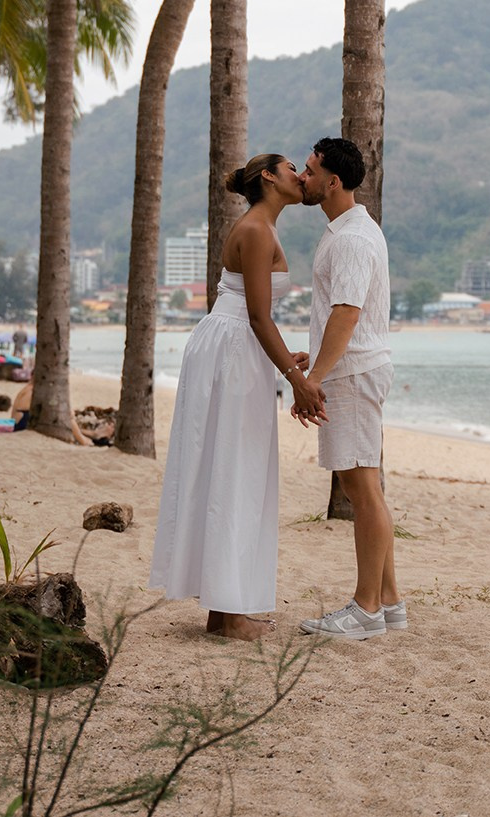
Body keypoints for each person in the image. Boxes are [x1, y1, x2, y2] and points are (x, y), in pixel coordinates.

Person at [149, 154, 327, 642]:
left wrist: (280, 358)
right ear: (268, 177)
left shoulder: (263, 227)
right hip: (230, 349)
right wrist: (295, 377)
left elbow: (252, 316)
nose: (300, 173)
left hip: (235, 347)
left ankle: (223, 608)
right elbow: (255, 315)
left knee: (235, 469)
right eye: (292, 166)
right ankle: (227, 614)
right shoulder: (255, 229)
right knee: (232, 469)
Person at [294, 137, 405, 640]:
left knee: (363, 492)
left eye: (311, 170)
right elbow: (339, 315)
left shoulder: (353, 238)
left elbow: (348, 313)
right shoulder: (346, 231)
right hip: (351, 368)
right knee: (368, 488)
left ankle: (366, 610)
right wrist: (313, 360)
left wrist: (313, 378)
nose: (303, 177)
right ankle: (390, 603)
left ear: (332, 182)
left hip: (353, 374)